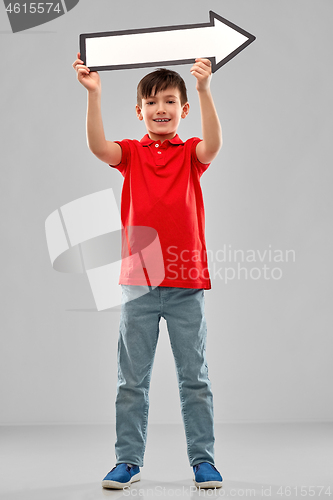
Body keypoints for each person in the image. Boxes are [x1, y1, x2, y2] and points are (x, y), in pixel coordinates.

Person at [73, 52, 223, 490]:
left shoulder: (191, 153)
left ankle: (203, 460)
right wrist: (94, 94)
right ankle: (128, 461)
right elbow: (99, 146)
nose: (161, 109)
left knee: (195, 379)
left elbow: (213, 144)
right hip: (138, 285)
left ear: (183, 110)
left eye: (171, 102)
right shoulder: (133, 154)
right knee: (131, 381)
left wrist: (204, 88)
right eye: (153, 102)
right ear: (140, 111)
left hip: (186, 285)